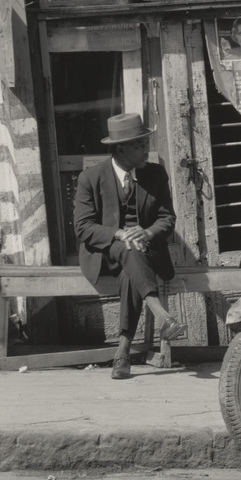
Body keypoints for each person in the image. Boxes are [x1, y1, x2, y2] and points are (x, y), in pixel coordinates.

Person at [73, 113, 184, 380]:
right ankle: (161, 315)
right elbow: (83, 227)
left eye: (145, 143)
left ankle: (122, 353)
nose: (146, 149)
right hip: (104, 254)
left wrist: (146, 232)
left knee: (130, 273)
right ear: (120, 148)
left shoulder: (155, 174)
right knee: (128, 248)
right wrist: (120, 233)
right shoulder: (90, 178)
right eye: (139, 145)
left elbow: (167, 218)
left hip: (143, 256)